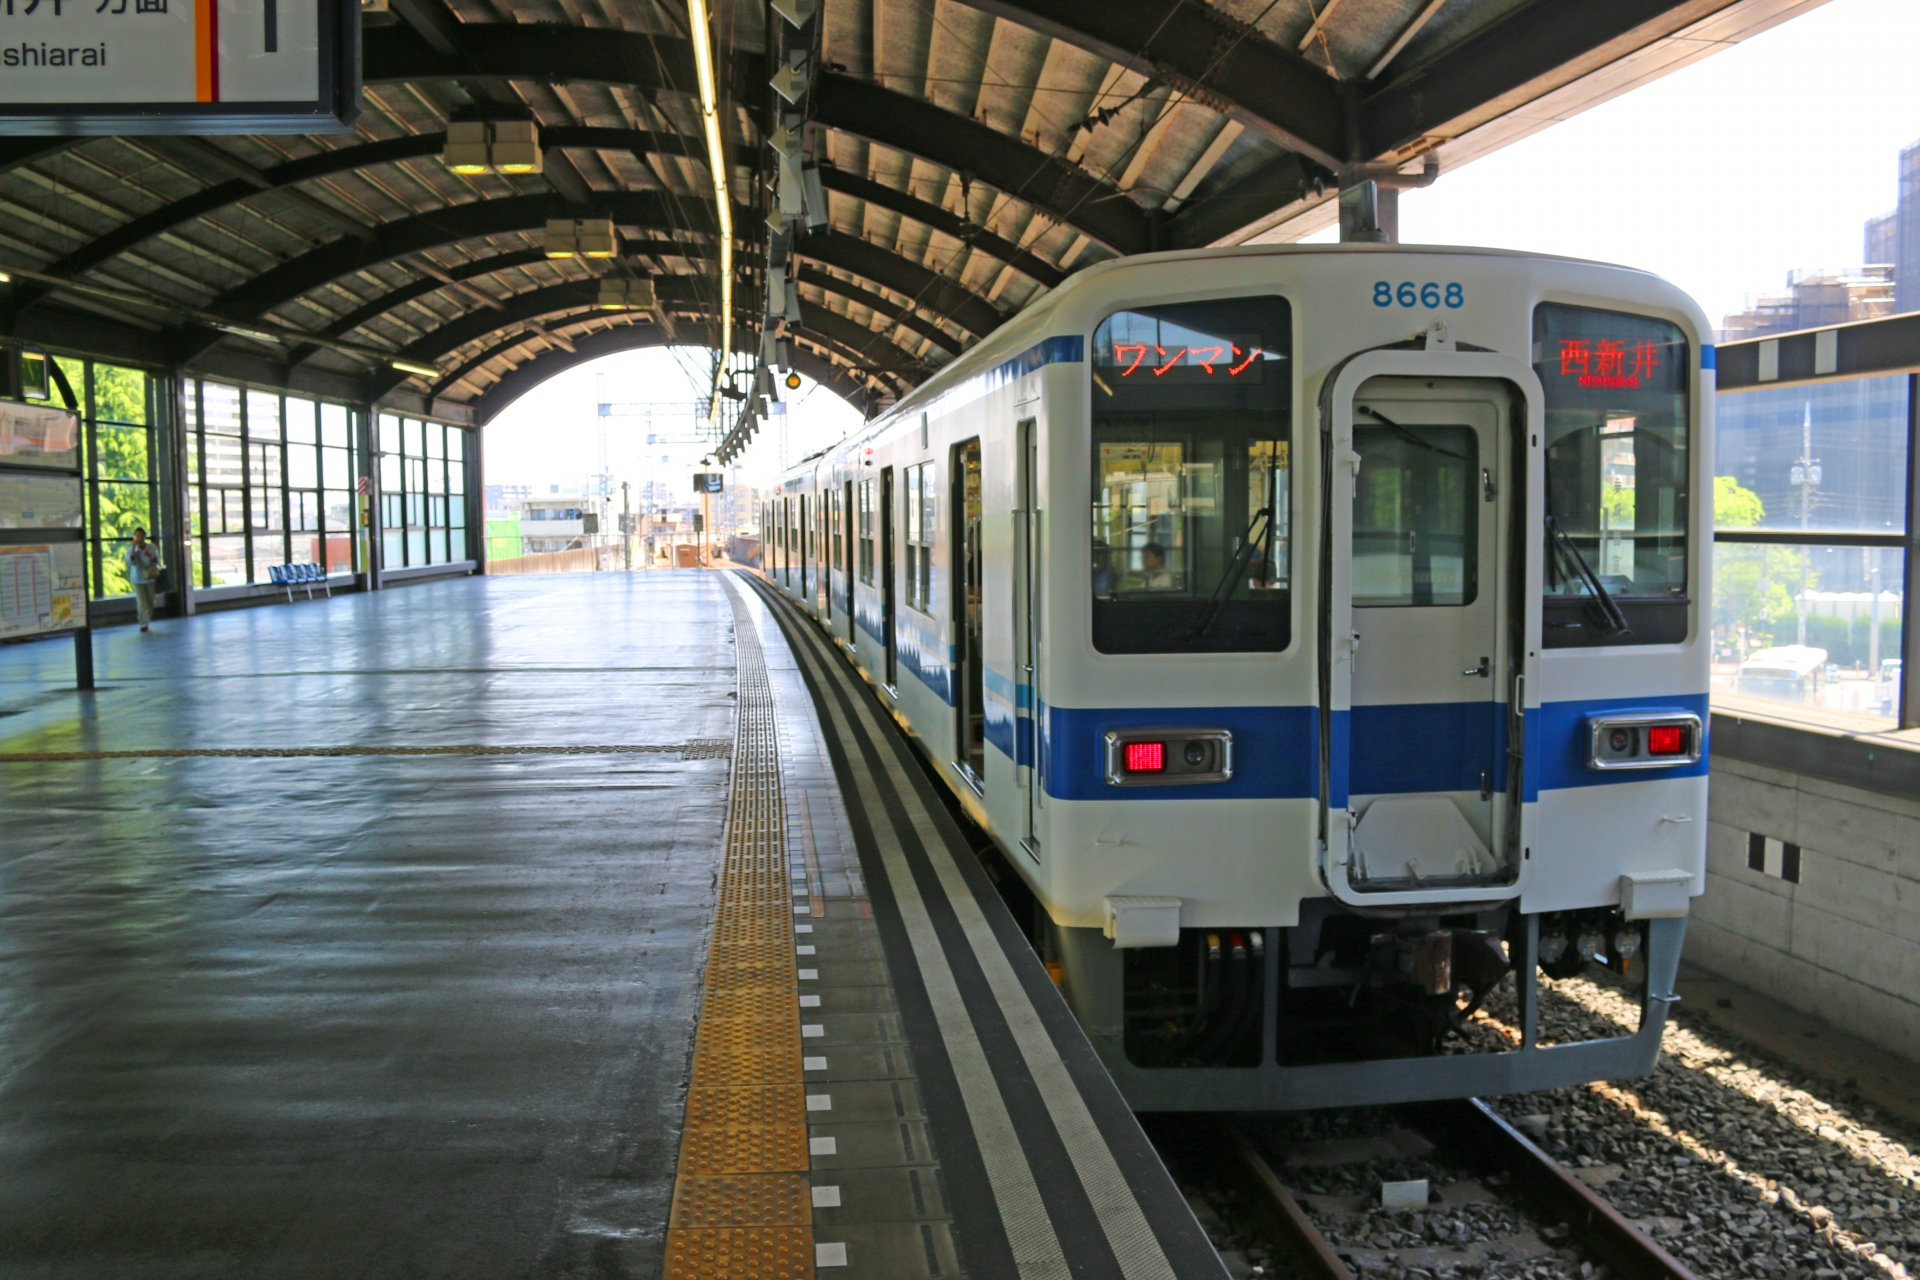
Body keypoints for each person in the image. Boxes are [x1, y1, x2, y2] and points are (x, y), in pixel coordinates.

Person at [126, 527, 162, 632]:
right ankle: (143, 623)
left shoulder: (151, 547)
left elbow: (157, 561)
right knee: (141, 602)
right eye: (137, 536)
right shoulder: (131, 549)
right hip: (137, 578)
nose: (139, 538)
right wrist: (133, 548)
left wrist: (150, 556)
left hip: (150, 578)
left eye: (141, 536)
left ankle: (147, 619)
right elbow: (131, 562)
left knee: (151, 601)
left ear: (145, 537)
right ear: (135, 537)